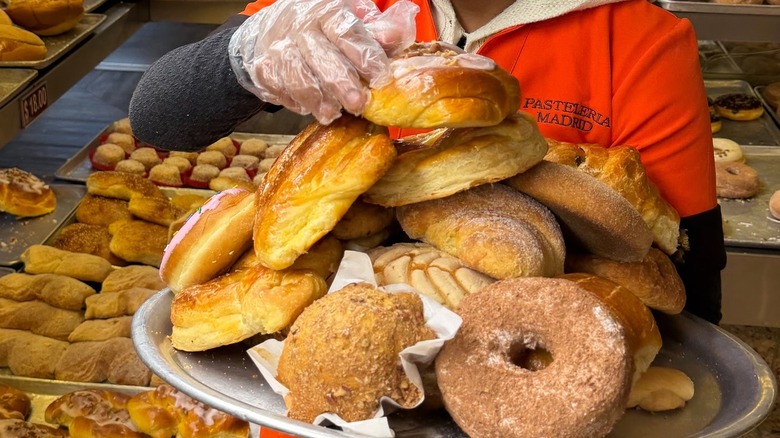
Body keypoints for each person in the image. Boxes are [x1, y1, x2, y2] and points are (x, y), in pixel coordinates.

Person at [129, 0, 727, 324]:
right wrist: (247, 51)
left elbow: (690, 291)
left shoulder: (638, 38)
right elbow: (159, 117)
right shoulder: (350, 8)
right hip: (316, 364)